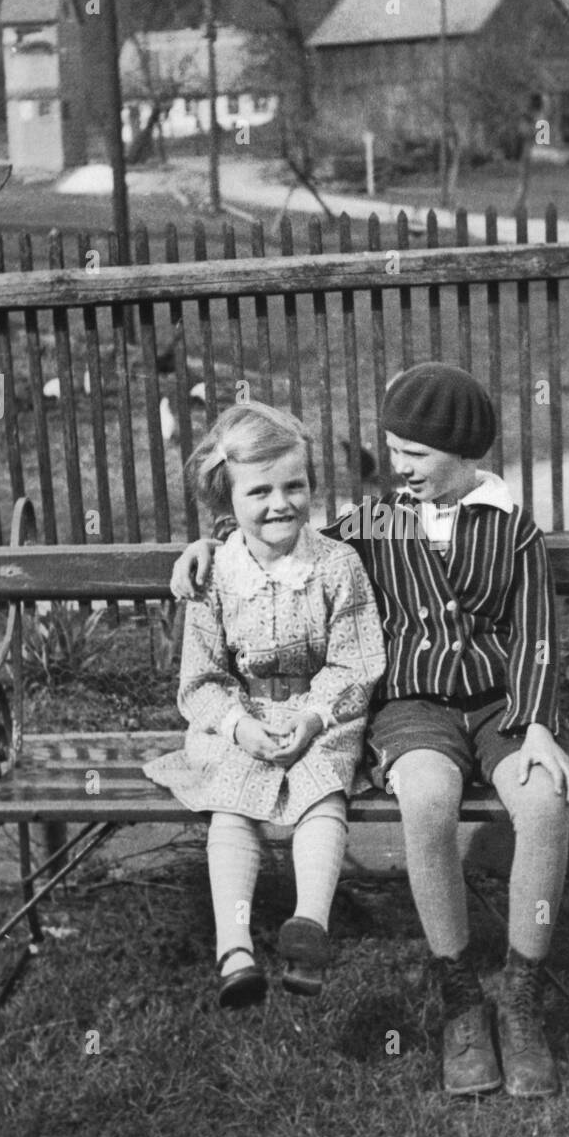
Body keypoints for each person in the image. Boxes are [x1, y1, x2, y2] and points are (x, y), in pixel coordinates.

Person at [172, 364, 569, 1098]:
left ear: (461, 451)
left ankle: (520, 1000)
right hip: (414, 708)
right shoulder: (380, 521)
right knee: (424, 798)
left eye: (415, 456)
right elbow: (288, 532)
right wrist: (213, 537)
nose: (399, 469)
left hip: (502, 707)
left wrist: (540, 725)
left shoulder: (513, 529)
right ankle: (460, 998)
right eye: (392, 453)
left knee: (544, 799)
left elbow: (538, 634)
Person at [145, 401, 385, 1010]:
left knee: (324, 788)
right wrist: (237, 724)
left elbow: (354, 661)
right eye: (260, 492)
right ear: (227, 501)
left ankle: (310, 928)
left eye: (295, 486)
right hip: (242, 717)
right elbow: (201, 678)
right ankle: (235, 949)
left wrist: (314, 716)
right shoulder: (214, 574)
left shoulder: (336, 565)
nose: (281, 503)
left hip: (318, 715)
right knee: (230, 801)